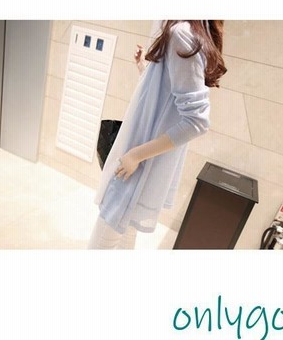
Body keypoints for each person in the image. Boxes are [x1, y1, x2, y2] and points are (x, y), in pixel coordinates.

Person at [87, 20, 227, 249]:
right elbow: (167, 99)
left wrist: (135, 155)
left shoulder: (181, 34)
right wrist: (146, 69)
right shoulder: (189, 32)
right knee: (124, 234)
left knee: (102, 242)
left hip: (139, 162)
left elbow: (197, 121)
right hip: (144, 161)